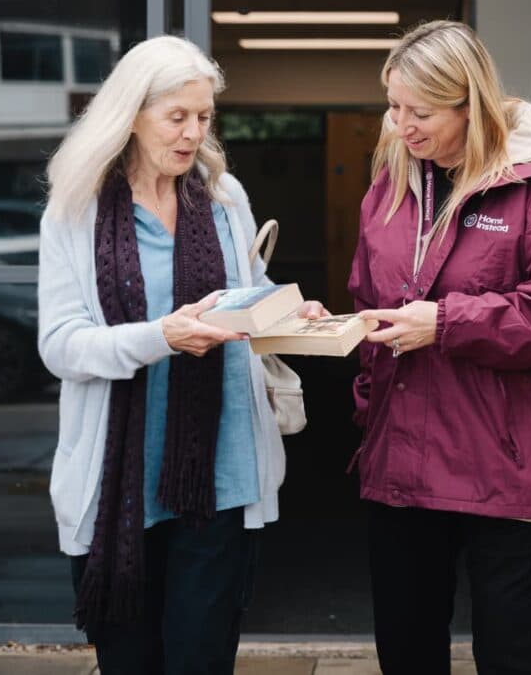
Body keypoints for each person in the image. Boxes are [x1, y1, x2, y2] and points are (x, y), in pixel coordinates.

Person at [38, 35, 323, 675]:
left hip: (221, 473)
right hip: (119, 485)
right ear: (130, 117)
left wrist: (286, 308)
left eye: (203, 117)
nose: (194, 133)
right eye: (177, 117)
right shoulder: (75, 212)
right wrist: (161, 337)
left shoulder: (224, 198)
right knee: (131, 660)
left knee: (202, 658)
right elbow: (61, 346)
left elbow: (244, 294)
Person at [348, 20, 531, 675]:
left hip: (508, 460)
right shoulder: (391, 183)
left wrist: (445, 322)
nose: (402, 125)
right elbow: (366, 291)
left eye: (421, 112)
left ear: (472, 104)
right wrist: (356, 365)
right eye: (394, 106)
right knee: (406, 650)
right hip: (403, 455)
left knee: (510, 655)